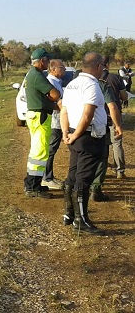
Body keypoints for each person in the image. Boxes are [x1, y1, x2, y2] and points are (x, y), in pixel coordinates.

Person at [60, 52, 107, 235]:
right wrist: (76, 134)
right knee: (83, 179)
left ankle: (69, 214)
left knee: (73, 175)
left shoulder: (72, 84)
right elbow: (87, 116)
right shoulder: (91, 85)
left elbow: (64, 111)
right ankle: (81, 220)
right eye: (102, 65)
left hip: (74, 135)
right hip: (88, 137)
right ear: (98, 66)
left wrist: (67, 133)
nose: (103, 68)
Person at [23, 48, 61, 198]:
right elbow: (55, 94)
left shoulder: (32, 74)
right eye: (47, 59)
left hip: (37, 115)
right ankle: (32, 187)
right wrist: (52, 98)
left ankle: (34, 183)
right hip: (40, 116)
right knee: (40, 152)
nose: (48, 62)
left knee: (37, 151)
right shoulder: (37, 75)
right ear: (41, 61)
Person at [91, 77, 123, 201]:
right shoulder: (102, 85)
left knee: (82, 156)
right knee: (101, 157)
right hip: (99, 125)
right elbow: (112, 107)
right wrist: (118, 125)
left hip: (79, 126)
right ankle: (96, 188)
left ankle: (80, 186)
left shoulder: (75, 83)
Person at [102, 57, 128, 179]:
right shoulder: (115, 78)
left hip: (98, 116)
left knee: (101, 143)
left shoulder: (94, 79)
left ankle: (102, 168)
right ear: (107, 65)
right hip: (114, 114)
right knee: (116, 143)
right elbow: (124, 96)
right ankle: (120, 171)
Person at [43, 59, 66, 189]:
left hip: (58, 121)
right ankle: (46, 178)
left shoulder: (57, 82)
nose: (64, 70)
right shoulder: (50, 83)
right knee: (50, 150)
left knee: (52, 150)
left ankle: (49, 176)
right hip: (54, 122)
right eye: (61, 67)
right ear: (53, 69)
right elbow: (55, 103)